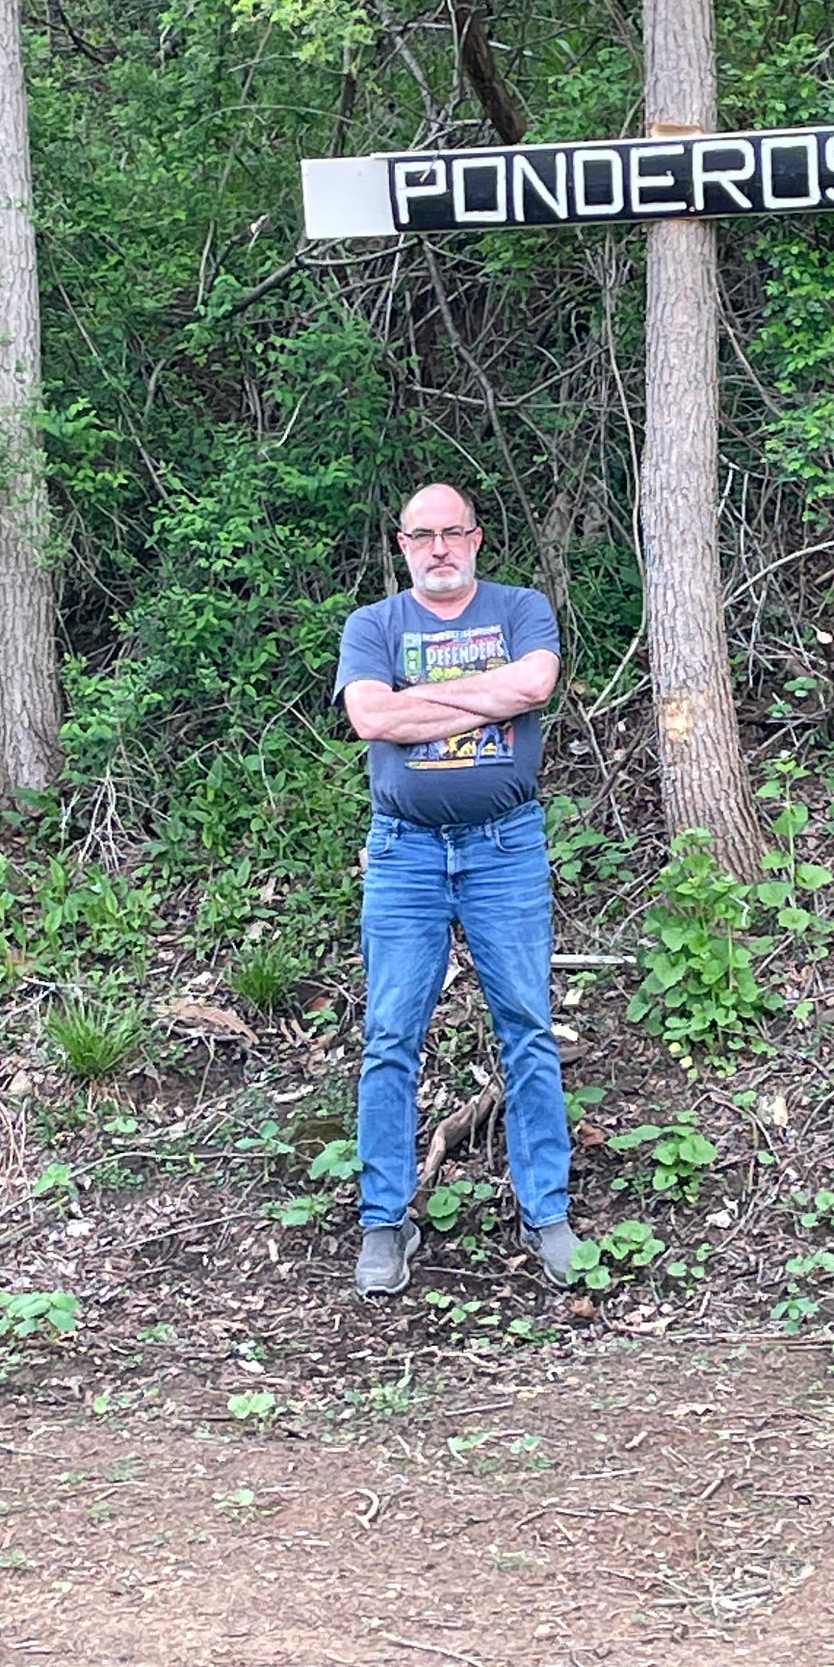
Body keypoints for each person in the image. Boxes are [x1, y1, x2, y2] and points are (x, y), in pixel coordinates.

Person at [334, 482, 580, 1297]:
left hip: (504, 850)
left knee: (527, 1030)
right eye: (420, 536)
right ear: (401, 544)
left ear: (476, 539)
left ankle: (546, 1212)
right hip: (403, 855)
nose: (437, 548)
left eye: (452, 533)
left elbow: (532, 687)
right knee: (390, 1036)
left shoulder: (520, 609)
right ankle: (384, 1220)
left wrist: (419, 705)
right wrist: (478, 701)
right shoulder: (374, 626)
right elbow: (371, 718)